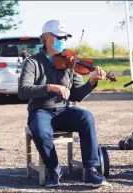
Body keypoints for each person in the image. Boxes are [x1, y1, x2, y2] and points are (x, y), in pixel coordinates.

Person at [18, 19, 109, 188]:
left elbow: (75, 95)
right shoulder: (33, 62)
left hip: (65, 109)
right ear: (46, 38)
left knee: (87, 117)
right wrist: (50, 87)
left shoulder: (70, 62)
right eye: (58, 37)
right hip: (41, 110)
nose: (62, 41)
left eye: (65, 38)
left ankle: (90, 170)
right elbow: (23, 91)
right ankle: (54, 169)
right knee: (40, 129)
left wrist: (91, 82)